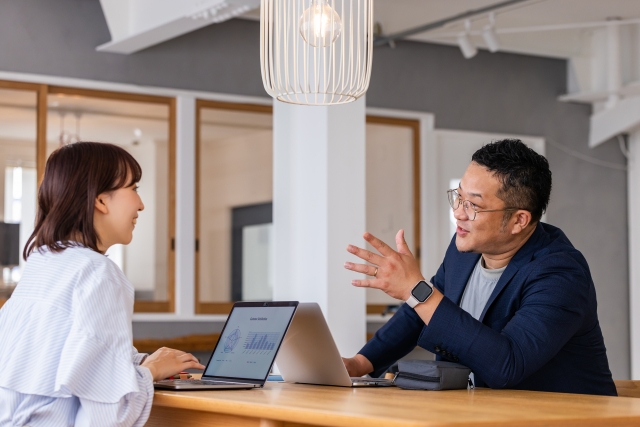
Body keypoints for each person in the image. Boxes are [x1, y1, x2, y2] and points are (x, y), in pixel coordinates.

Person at [343, 139, 616, 396]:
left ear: (519, 220)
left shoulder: (561, 274)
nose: (458, 213)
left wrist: (415, 289)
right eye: (458, 197)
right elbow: (420, 311)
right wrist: (360, 363)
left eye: (473, 205)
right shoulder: (464, 250)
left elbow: (507, 365)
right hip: (479, 412)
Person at [0, 142, 205, 427]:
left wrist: (138, 364)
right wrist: (149, 371)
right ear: (100, 200)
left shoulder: (42, 264)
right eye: (133, 188)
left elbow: (62, 359)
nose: (141, 204)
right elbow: (107, 417)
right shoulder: (97, 273)